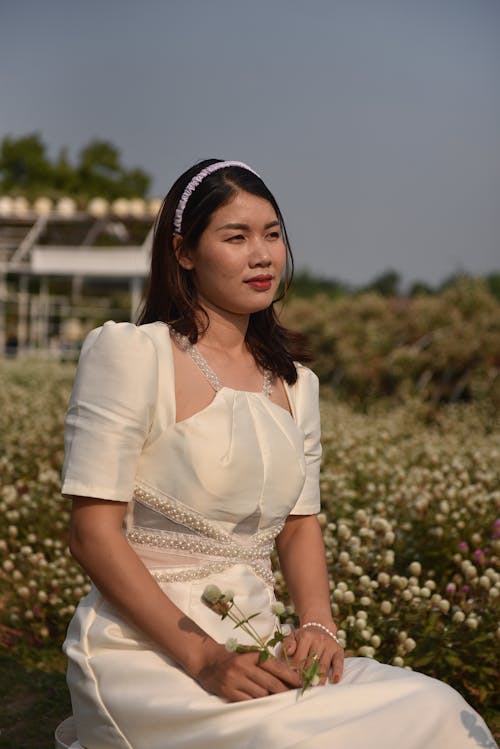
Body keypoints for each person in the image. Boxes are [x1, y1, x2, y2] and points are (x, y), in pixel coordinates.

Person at [61, 159, 497, 749]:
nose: (262, 255)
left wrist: (319, 624)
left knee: (441, 712)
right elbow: (91, 533)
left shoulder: (295, 384)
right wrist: (205, 657)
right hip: (147, 652)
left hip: (259, 642)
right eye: (235, 237)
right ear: (183, 252)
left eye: (272, 234)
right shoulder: (132, 353)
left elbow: (298, 525)